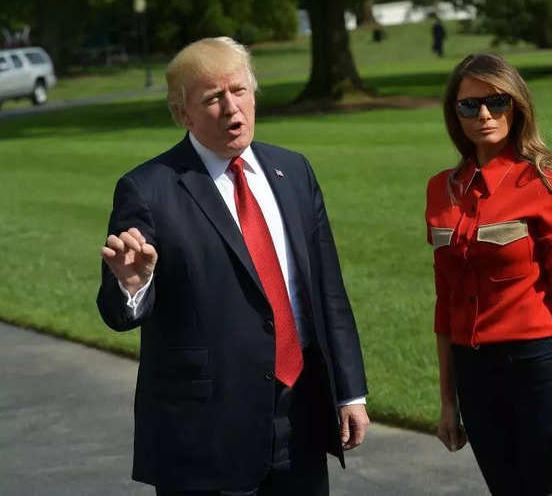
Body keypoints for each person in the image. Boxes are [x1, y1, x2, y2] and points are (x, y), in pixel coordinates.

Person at [97, 37, 370, 496]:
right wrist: (133, 286)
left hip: (299, 414)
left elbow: (327, 290)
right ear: (182, 114)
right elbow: (117, 311)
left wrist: (350, 392)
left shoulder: (293, 171)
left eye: (239, 91)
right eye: (212, 98)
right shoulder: (148, 189)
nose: (232, 108)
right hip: (207, 433)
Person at [426, 53, 552, 495]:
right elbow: (445, 303)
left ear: (516, 105)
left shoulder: (546, 181)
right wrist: (448, 402)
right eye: (469, 105)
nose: (483, 114)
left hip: (534, 370)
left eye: (496, 102)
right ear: (454, 113)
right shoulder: (441, 189)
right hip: (473, 374)